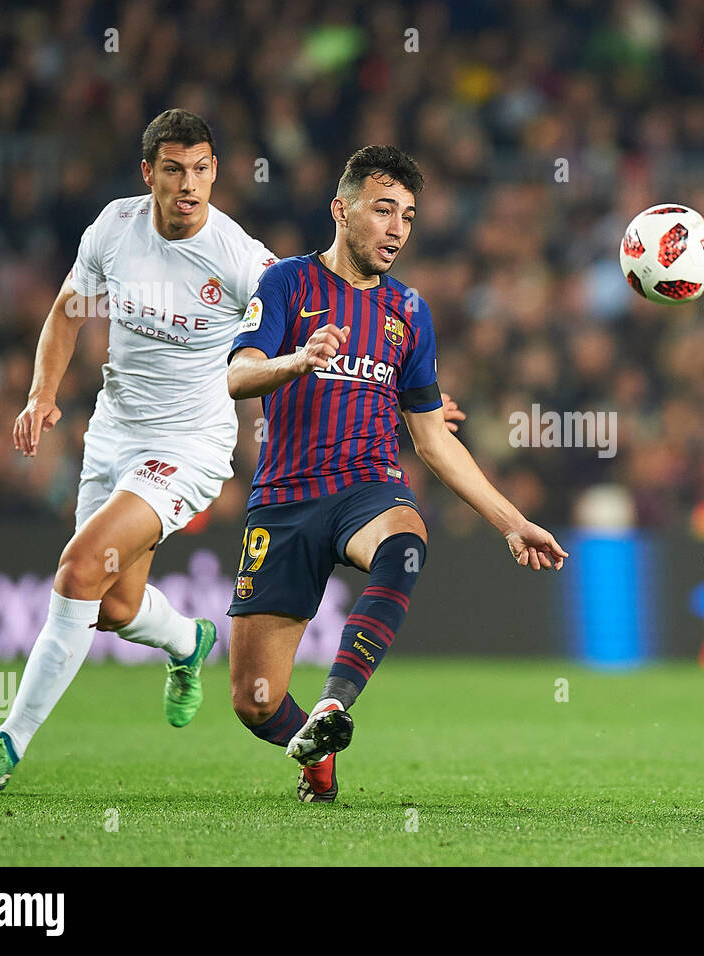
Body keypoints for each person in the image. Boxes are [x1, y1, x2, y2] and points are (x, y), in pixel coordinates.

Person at [0, 109, 465, 792]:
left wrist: (400, 398)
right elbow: (68, 310)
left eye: (200, 170)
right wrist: (43, 392)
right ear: (149, 174)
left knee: (77, 569)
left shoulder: (243, 258)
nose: (188, 184)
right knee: (112, 606)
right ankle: (185, 641)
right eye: (173, 170)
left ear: (215, 173)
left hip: (190, 444)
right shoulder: (114, 228)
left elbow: (321, 300)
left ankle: (6, 744)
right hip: (113, 436)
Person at [225, 145, 568, 802]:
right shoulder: (286, 285)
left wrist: (513, 523)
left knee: (406, 539)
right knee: (255, 701)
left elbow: (433, 439)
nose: (397, 229)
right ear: (341, 210)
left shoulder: (409, 311)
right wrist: (297, 361)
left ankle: (334, 706)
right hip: (284, 503)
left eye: (408, 216)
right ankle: (315, 756)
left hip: (366, 487)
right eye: (384, 210)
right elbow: (237, 375)